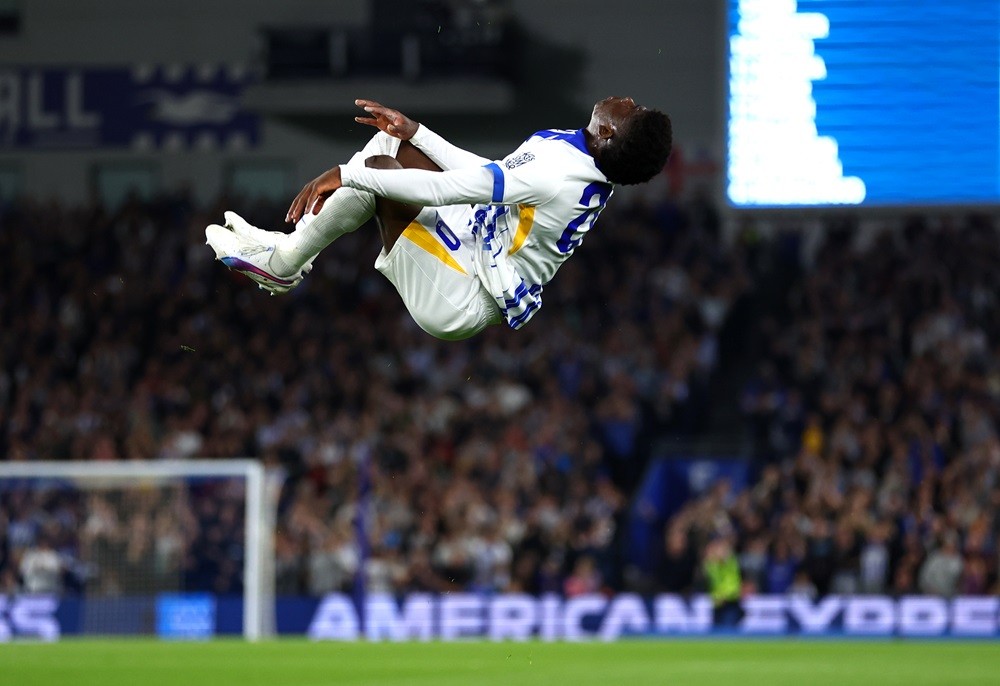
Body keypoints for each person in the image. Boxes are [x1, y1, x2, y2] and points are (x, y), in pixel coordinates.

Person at [206, 97, 672, 340]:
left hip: (462, 294)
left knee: (377, 173)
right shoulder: (580, 163)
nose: (626, 99)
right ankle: (285, 255)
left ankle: (282, 263)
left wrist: (343, 174)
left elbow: (451, 188)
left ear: (608, 132)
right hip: (477, 249)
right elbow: (489, 177)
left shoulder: (559, 172)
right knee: (394, 146)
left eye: (632, 110)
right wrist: (419, 134)